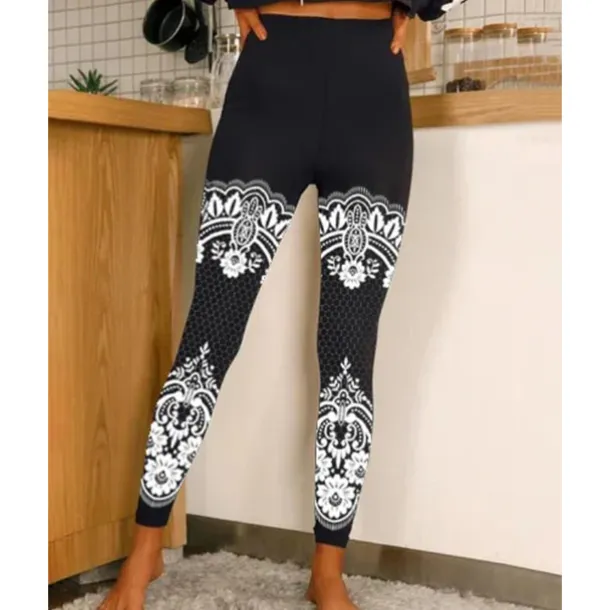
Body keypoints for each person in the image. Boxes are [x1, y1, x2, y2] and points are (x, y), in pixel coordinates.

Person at [99, 0, 466, 608]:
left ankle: (328, 571)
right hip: (271, 78)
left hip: (372, 87)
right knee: (207, 341)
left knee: (348, 356)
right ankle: (144, 550)